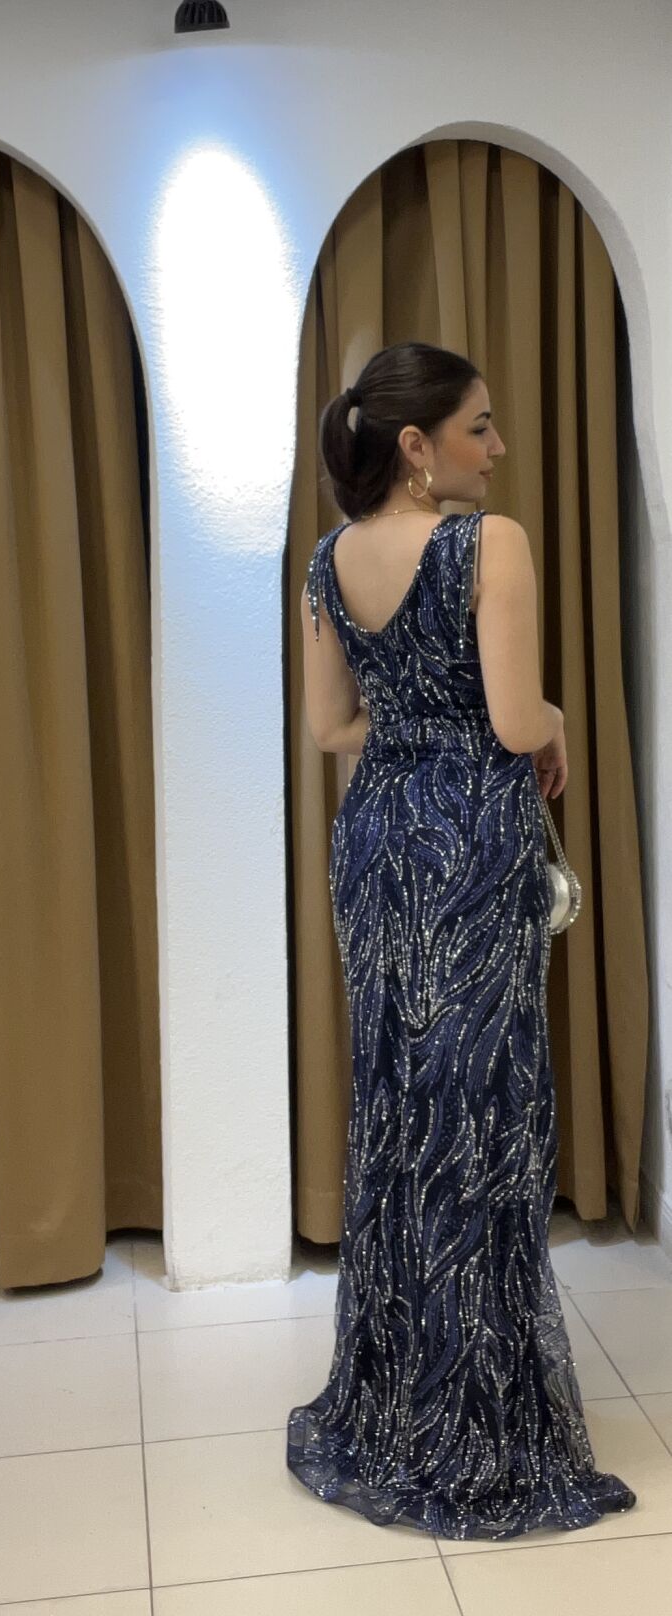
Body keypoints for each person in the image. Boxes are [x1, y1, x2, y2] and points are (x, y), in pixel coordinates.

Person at [285, 342, 636, 1540]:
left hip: (379, 837)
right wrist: (557, 718)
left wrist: (413, 721)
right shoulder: (490, 545)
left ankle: (394, 1403)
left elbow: (328, 728)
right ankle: (477, 1420)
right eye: (477, 426)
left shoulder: (327, 560)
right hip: (470, 844)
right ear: (415, 447)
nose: (497, 446)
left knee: (400, 1101)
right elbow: (511, 717)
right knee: (480, 1109)